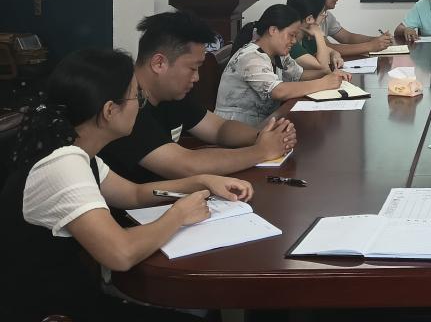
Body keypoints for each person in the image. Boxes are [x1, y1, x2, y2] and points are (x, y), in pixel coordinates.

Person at [0, 48, 253, 322]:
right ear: (110, 110)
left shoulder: (75, 149)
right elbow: (121, 253)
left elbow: (133, 194)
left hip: (70, 293)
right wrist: (179, 215)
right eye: (135, 96)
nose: (139, 105)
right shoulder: (63, 164)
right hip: (49, 310)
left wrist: (200, 182)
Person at [101, 11, 297, 184]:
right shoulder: (125, 106)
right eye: (192, 68)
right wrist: (261, 151)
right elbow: (186, 164)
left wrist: (262, 136)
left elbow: (219, 128)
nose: (196, 78)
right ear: (159, 63)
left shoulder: (171, 94)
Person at [215, 3, 346, 127]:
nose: (294, 41)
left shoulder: (279, 54)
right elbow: (278, 91)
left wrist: (328, 74)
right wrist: (324, 83)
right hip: (236, 127)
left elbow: (299, 75)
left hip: (264, 122)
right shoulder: (251, 57)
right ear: (273, 30)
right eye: (291, 35)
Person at [307, 0, 392, 57]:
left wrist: (377, 40)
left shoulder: (326, 15)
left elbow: (347, 37)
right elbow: (327, 48)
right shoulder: (307, 17)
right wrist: (370, 46)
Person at [286, 0, 343, 73]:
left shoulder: (306, 36)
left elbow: (332, 51)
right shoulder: (290, 42)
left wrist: (335, 56)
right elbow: (323, 68)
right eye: (322, 13)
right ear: (309, 19)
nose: (325, 16)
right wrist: (318, 33)